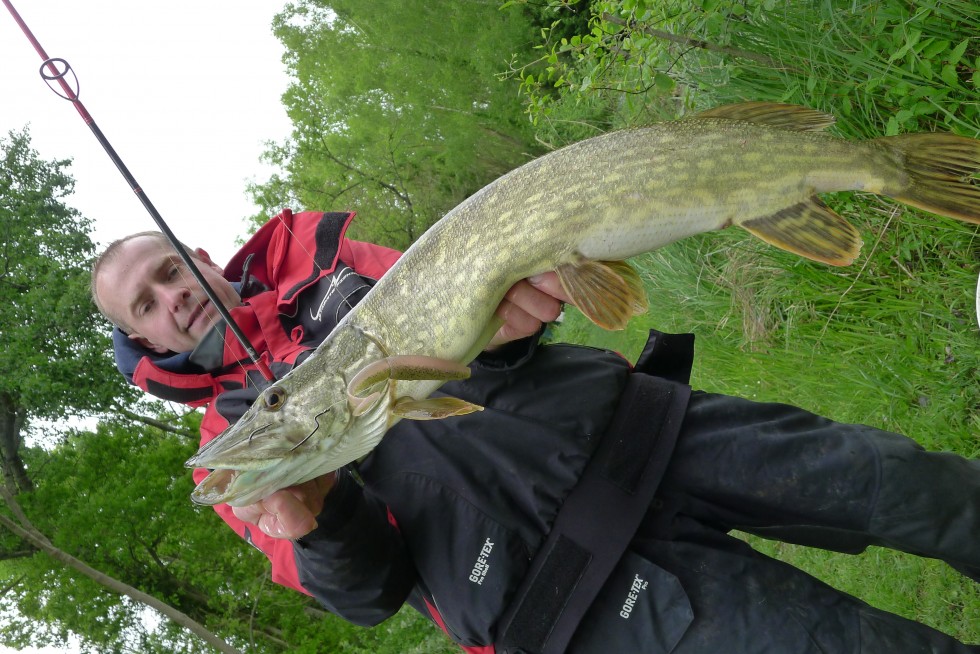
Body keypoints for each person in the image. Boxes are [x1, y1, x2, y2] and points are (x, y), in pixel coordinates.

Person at [92, 209, 979, 653]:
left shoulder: (330, 271)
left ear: (201, 258)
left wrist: (513, 326)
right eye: (149, 305)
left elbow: (488, 327)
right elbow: (365, 595)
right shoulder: (232, 451)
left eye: (172, 270)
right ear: (149, 339)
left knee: (908, 483)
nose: (173, 296)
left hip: (650, 435)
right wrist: (321, 525)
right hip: (584, 594)